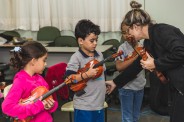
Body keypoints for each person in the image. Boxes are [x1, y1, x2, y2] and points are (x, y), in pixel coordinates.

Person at [107, 1, 184, 122]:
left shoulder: (162, 31)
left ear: (136, 27)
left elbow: (181, 52)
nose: (129, 35)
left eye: (129, 31)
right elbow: (137, 65)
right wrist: (116, 82)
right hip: (176, 86)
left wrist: (156, 63)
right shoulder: (148, 42)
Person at [65, 19, 113, 122]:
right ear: (80, 41)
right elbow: (69, 79)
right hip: (84, 106)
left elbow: (100, 75)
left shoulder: (99, 54)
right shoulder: (76, 58)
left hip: (99, 104)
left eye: (96, 40)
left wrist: (104, 84)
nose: (95, 43)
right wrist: (86, 74)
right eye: (92, 41)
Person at [2, 41, 58, 122]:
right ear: (33, 61)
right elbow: (7, 107)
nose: (46, 64)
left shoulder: (40, 79)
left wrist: (51, 106)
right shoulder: (20, 81)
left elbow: (50, 100)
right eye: (44, 60)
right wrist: (36, 107)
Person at [115, 23, 146, 122]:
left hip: (140, 87)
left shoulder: (142, 46)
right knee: (127, 118)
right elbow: (119, 67)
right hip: (126, 88)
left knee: (136, 116)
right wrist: (135, 57)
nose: (127, 35)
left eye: (129, 31)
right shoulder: (122, 48)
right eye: (124, 32)